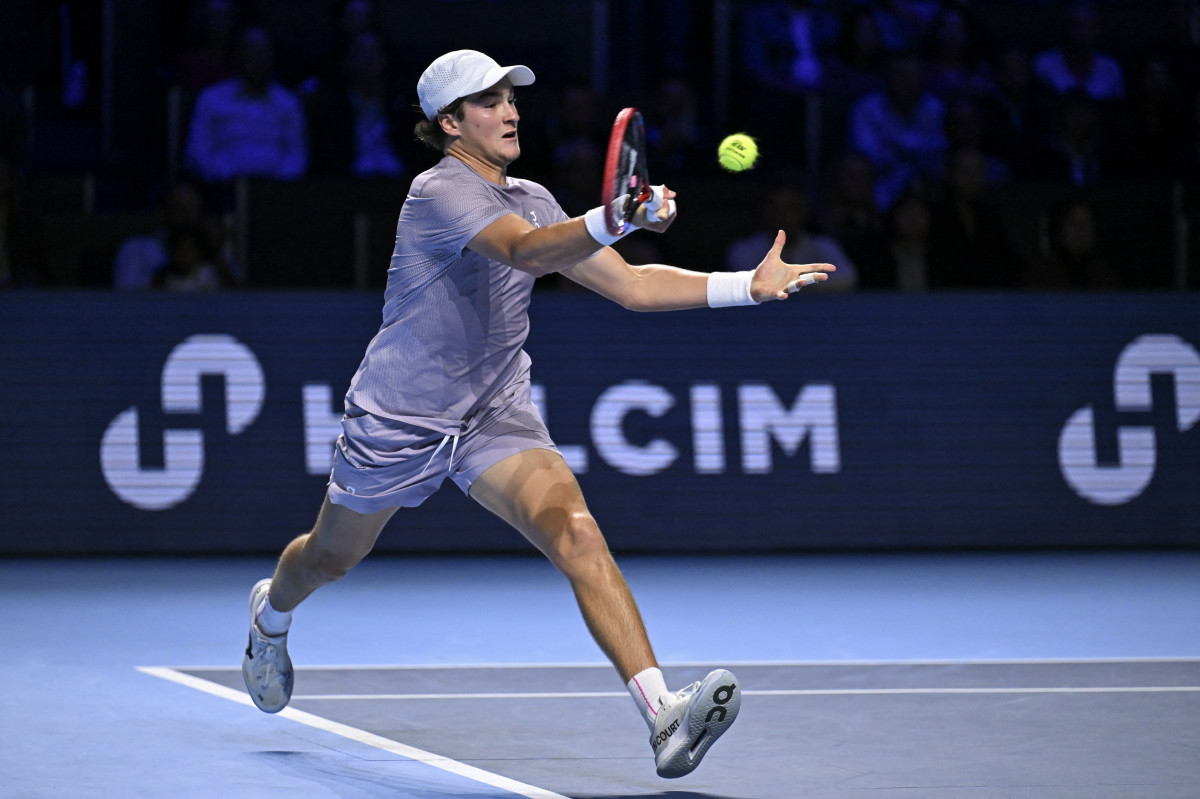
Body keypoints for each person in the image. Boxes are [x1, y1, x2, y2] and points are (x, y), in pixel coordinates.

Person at [241, 49, 835, 779]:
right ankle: (270, 615)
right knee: (329, 559)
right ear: (450, 123)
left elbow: (632, 287)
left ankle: (663, 716)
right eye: (487, 102)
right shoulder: (438, 192)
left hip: (495, 412)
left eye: (510, 97)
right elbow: (523, 253)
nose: (509, 109)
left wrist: (744, 283)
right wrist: (611, 216)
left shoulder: (532, 195)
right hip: (400, 420)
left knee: (577, 532)